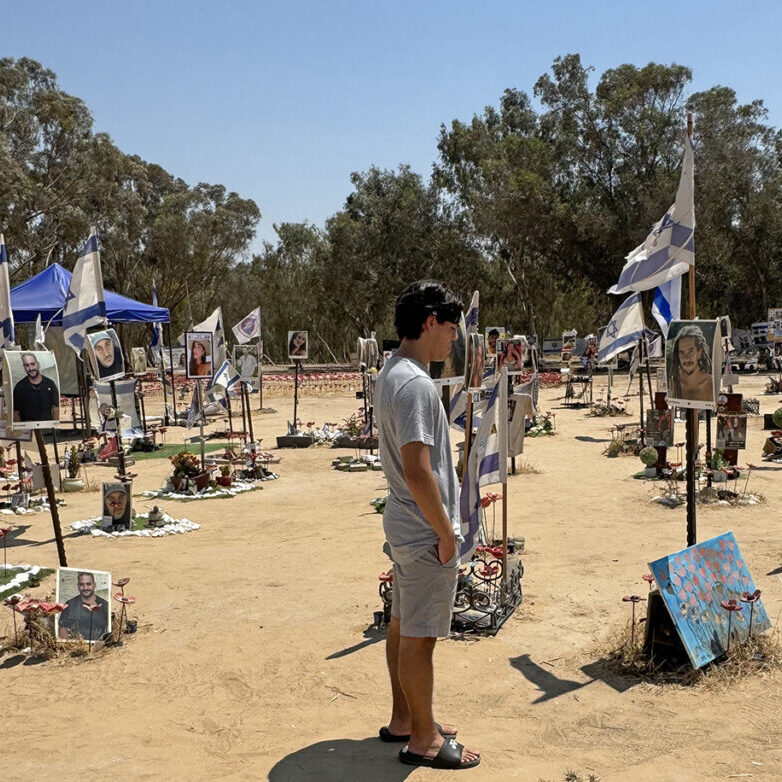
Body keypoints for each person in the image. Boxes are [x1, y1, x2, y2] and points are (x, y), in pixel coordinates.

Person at [374, 280, 480, 770]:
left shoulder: (392, 371)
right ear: (430, 321)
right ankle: (422, 739)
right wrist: (445, 531)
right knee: (420, 635)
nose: (454, 340)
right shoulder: (415, 384)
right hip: (421, 526)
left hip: (402, 519)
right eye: (451, 329)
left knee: (402, 622)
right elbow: (418, 468)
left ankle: (406, 717)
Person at [58, 571, 109, 641]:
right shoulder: (69, 604)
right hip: (76, 647)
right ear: (78, 586)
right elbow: (63, 628)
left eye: (88, 584)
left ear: (94, 585)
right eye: (81, 584)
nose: (85, 588)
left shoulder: (105, 605)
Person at [669, 325, 714, 402]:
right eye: (681, 353)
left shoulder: (710, 384)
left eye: (691, 352)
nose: (686, 358)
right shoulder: (674, 382)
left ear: (699, 352)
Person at [13, 353, 59, 423]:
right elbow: (16, 413)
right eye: (27, 365)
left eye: (33, 364)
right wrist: (21, 431)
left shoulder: (50, 384)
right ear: (24, 367)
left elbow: (56, 409)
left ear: (38, 364)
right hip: (28, 429)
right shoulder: (19, 387)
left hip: (47, 428)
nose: (30, 368)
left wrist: (54, 427)